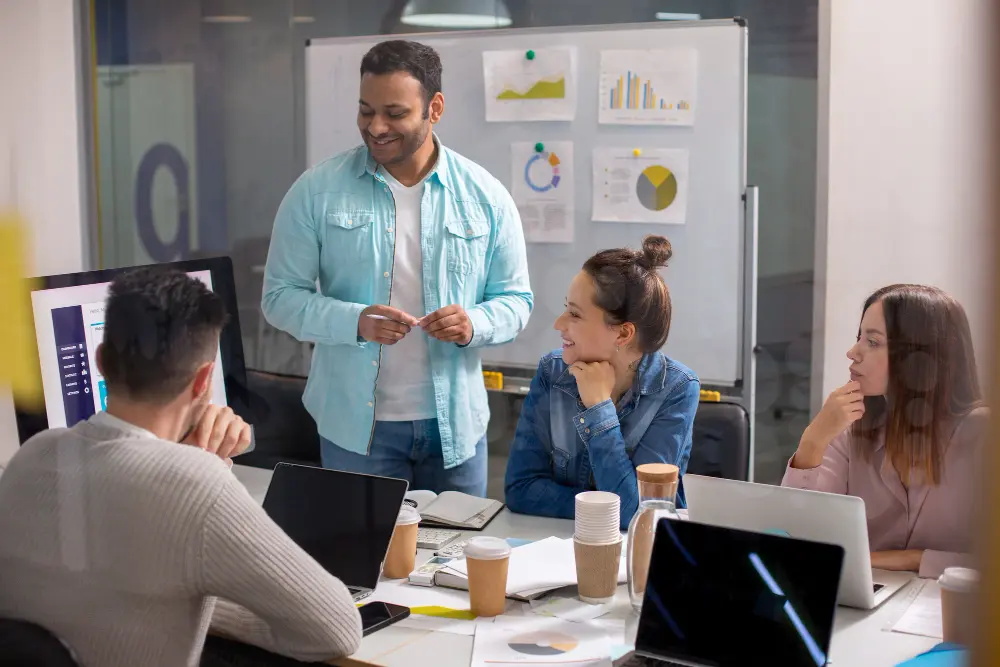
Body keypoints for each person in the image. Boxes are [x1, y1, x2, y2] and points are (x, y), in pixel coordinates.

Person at [0, 268, 362, 666]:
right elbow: (339, 630)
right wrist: (199, 596)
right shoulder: (197, 486)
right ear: (203, 380)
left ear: (101, 361)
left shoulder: (31, 455)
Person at [262, 39, 532, 497]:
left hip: (456, 432)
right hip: (356, 430)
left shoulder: (486, 196)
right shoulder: (317, 191)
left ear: (435, 108)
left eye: (394, 112)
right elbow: (279, 298)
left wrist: (474, 323)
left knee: (454, 565)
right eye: (366, 111)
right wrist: (354, 322)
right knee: (358, 565)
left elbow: (517, 302)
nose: (377, 126)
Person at [783, 284, 988, 578]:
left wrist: (914, 559)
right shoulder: (852, 431)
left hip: (949, 612)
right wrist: (813, 441)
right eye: (859, 338)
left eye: (873, 342)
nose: (853, 353)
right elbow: (797, 535)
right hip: (868, 605)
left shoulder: (983, 435)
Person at [504, 236, 701, 529]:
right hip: (555, 547)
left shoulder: (677, 388)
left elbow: (636, 513)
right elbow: (520, 490)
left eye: (575, 314)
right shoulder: (552, 372)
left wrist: (598, 408)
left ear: (622, 335)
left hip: (633, 555)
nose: (559, 324)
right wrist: (606, 503)